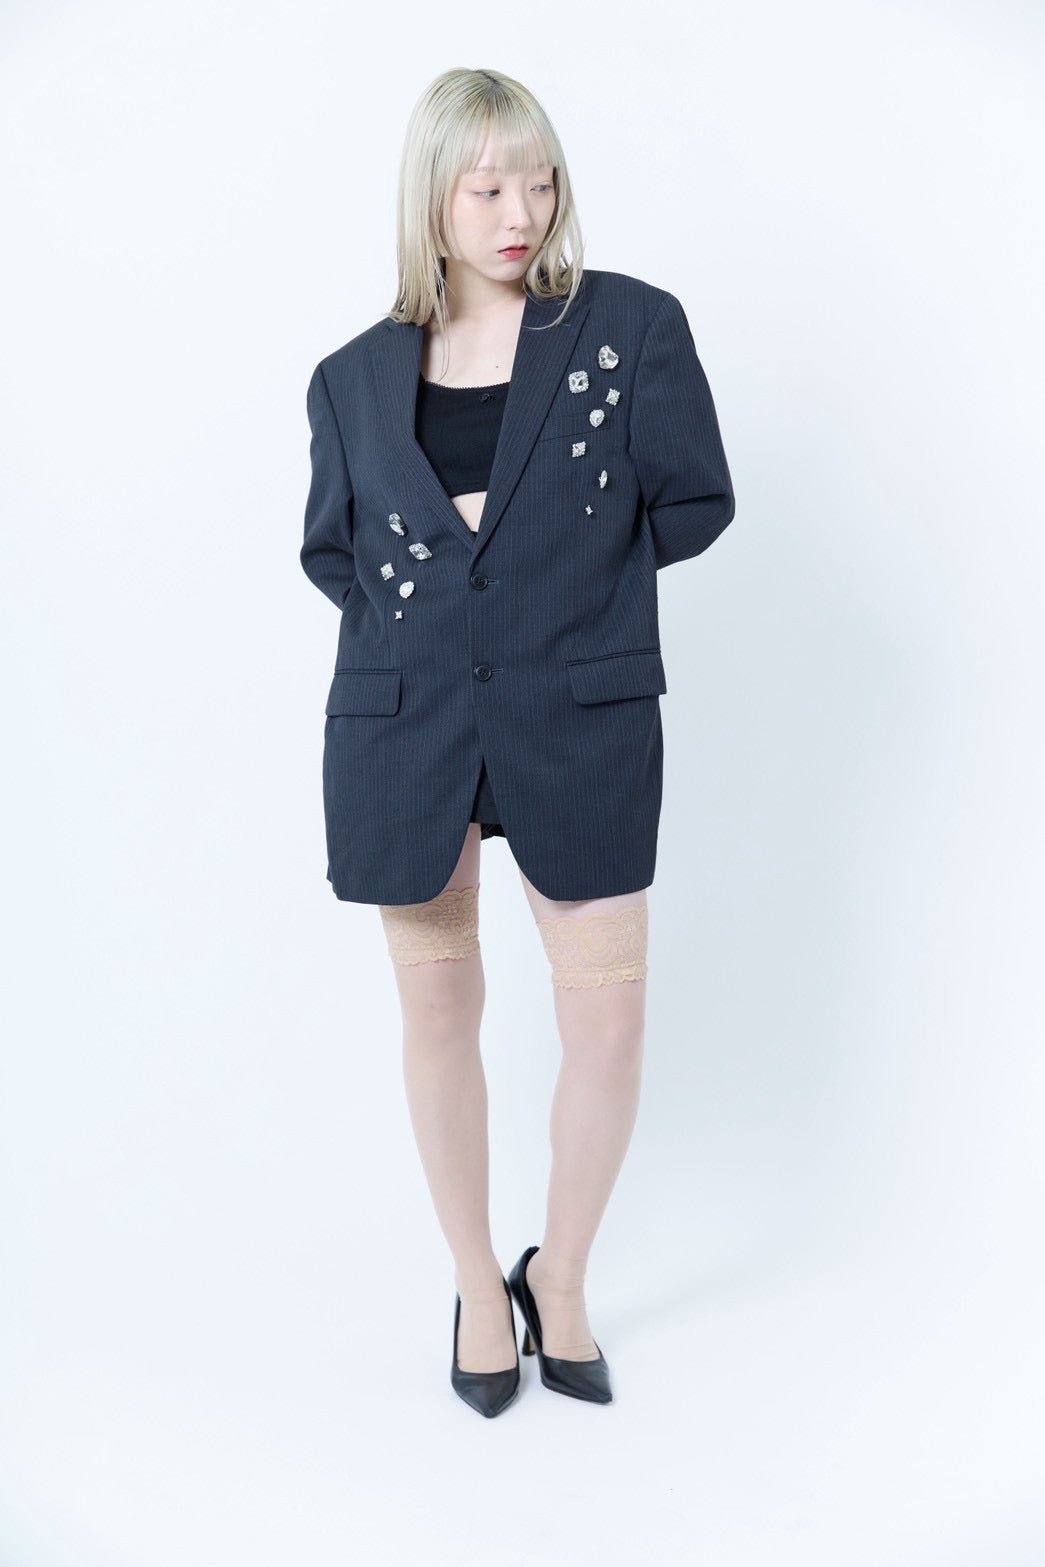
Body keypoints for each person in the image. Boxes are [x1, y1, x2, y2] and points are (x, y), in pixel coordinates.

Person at [300, 66, 735, 1417]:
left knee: (605, 1020)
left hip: (579, 715)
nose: (518, 213)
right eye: (487, 186)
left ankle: (562, 1275)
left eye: (538, 182)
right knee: (438, 1012)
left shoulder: (630, 327)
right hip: (405, 726)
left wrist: (561, 589)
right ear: (431, 198)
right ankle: (476, 1287)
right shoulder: (350, 379)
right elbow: (334, 554)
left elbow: (693, 502)